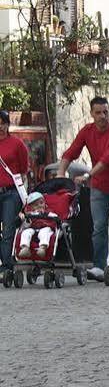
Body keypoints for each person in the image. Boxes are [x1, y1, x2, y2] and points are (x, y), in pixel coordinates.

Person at [58, 97, 109, 280]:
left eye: (105, 112)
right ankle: (99, 266)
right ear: (91, 114)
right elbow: (71, 152)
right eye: (98, 112)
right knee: (99, 226)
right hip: (99, 187)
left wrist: (89, 175)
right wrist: (61, 173)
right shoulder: (87, 131)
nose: (102, 116)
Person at [0, 111, 29, 273]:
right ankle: (6, 258)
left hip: (11, 193)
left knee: (8, 230)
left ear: (7, 125)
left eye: (3, 123)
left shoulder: (17, 144)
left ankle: (6, 267)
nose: (0, 127)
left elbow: (24, 171)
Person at [16, 192, 55, 260]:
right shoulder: (30, 214)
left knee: (44, 232)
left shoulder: (48, 212)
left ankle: (42, 248)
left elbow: (55, 218)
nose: (39, 205)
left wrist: (50, 216)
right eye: (36, 205)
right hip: (33, 228)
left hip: (45, 228)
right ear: (31, 207)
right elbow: (26, 226)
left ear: (44, 202)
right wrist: (24, 218)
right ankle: (25, 248)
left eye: (41, 203)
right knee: (26, 232)